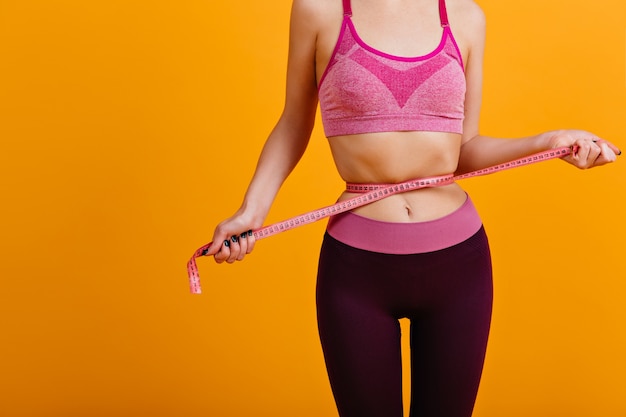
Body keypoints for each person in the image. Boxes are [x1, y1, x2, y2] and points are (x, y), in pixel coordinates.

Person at [202, 0, 621, 416]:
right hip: (358, 268)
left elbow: (465, 149)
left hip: (459, 263)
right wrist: (250, 212)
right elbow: (295, 120)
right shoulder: (321, 9)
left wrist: (551, 142)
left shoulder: (464, 17)